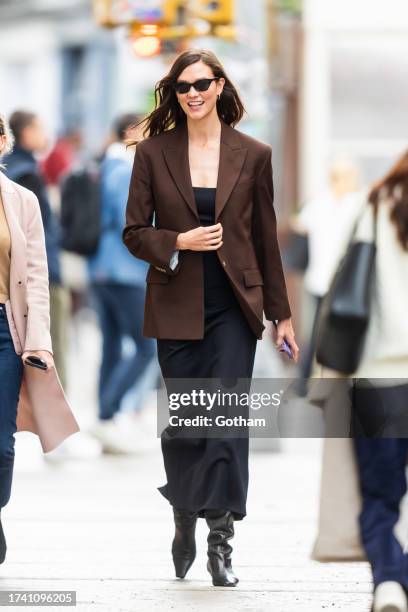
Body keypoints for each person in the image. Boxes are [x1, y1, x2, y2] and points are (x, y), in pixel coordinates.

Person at [123, 49, 299, 587]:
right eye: (182, 87)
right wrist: (178, 239)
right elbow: (134, 232)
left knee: (224, 421)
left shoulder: (254, 153)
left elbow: (266, 237)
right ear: (174, 94)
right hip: (175, 300)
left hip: (233, 307)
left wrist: (281, 314)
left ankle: (221, 540)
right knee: (184, 426)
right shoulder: (153, 153)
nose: (193, 93)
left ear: (220, 86)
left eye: (202, 83)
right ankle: (183, 517)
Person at [311, 151, 408, 612]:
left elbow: (344, 285)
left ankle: (389, 581)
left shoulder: (375, 204)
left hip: (376, 377)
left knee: (379, 492)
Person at [0, 113, 79, 563]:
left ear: (3, 143)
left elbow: (35, 277)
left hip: (4, 329)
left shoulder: (22, 200)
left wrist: (39, 339)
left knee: (1, 442)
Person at [88, 113, 156, 453]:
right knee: (147, 347)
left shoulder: (106, 166)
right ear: (130, 132)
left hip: (103, 270)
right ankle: (110, 413)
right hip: (123, 271)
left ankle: (106, 417)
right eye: (146, 130)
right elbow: (129, 221)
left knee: (113, 345)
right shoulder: (124, 168)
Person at [2, 111, 70, 390]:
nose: (45, 136)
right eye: (40, 128)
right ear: (26, 133)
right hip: (36, 278)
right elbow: (36, 240)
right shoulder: (27, 176)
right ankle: (53, 404)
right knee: (52, 347)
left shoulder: (21, 173)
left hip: (18, 287)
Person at [294, 158, 361, 395]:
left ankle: (333, 383)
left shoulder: (357, 203)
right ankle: (305, 382)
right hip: (321, 280)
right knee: (317, 333)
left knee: (342, 333)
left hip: (345, 283)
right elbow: (299, 224)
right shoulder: (321, 203)